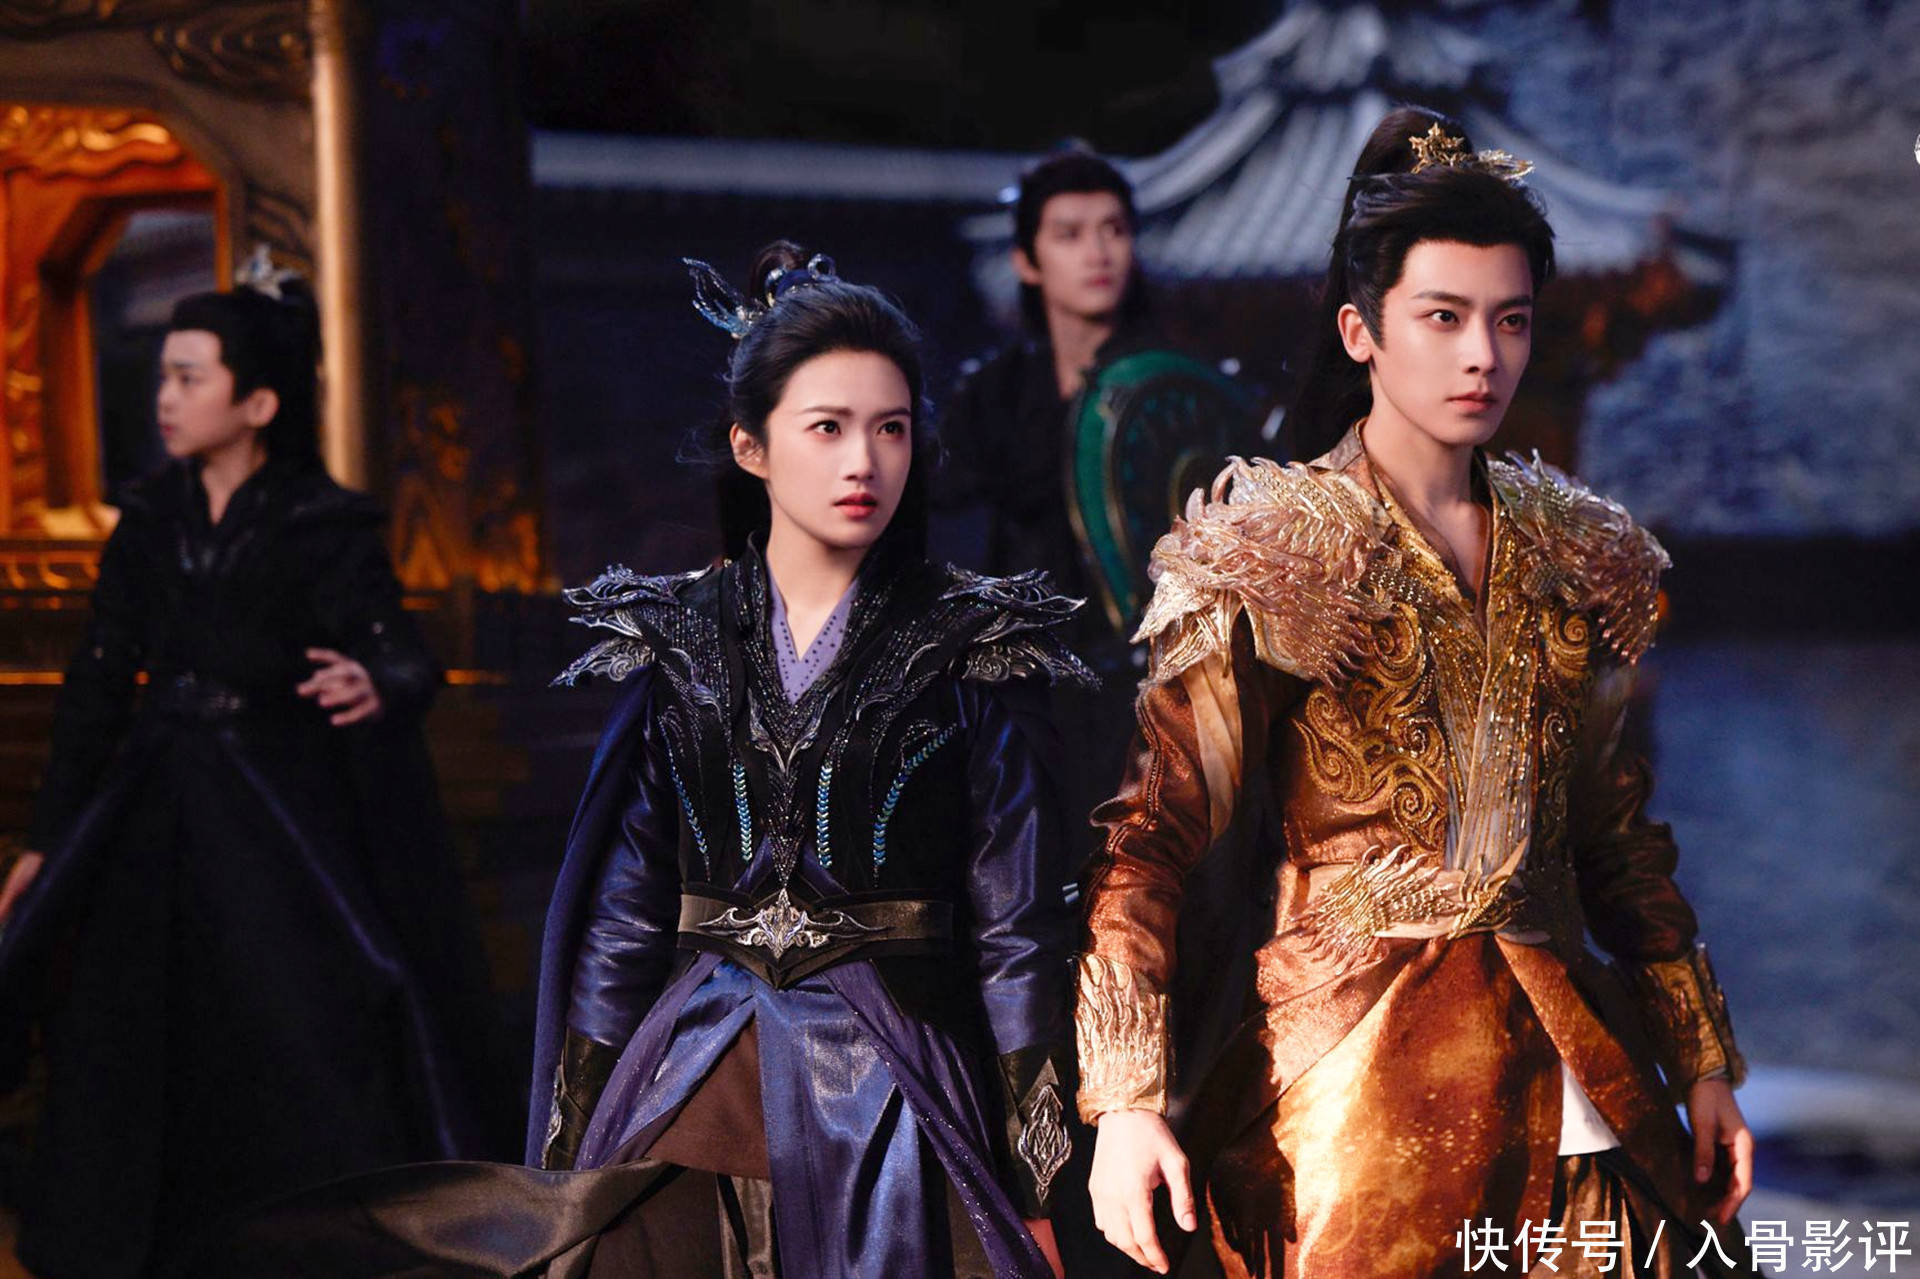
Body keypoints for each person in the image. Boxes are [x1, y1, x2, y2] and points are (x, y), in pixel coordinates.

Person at [206, 243, 1089, 1279]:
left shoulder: (967, 644)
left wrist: (1036, 1185)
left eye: (890, 428)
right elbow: (623, 917)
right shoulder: (681, 637)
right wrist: (566, 1167)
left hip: (899, 1087)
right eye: (828, 427)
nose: (864, 461)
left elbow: (1017, 933)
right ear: (750, 446)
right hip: (696, 1068)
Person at [1073, 107, 1754, 1278]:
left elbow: (1617, 840)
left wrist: (1700, 1063)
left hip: (1568, 1057)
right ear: (1362, 331)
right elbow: (1149, 838)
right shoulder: (1271, 549)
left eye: (1510, 319)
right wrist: (1125, 1100)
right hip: (1350, 1086)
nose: (1481, 354)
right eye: (1443, 317)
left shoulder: (1579, 552)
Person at [0, 264, 503, 1278]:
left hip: (278, 811)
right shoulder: (150, 521)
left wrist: (375, 681)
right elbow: (99, 683)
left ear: (258, 404)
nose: (166, 397)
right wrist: (49, 839)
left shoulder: (323, 522)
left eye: (190, 377)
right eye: (165, 376)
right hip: (154, 807)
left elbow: (402, 654)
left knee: (302, 1014)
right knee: (130, 1019)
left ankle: (306, 1241)